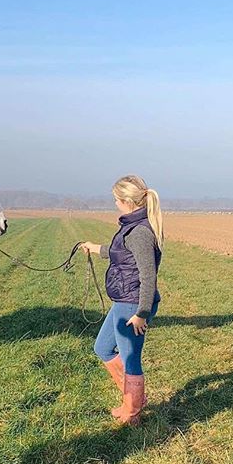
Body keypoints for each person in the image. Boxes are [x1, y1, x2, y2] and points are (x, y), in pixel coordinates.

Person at [81, 175, 163, 425]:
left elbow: (149, 277)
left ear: (127, 201)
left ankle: (133, 413)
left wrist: (142, 313)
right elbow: (120, 253)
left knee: (130, 359)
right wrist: (94, 248)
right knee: (103, 348)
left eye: (116, 199)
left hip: (133, 305)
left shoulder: (139, 232)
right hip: (123, 301)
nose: (115, 203)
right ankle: (133, 401)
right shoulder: (131, 226)